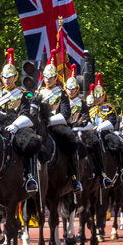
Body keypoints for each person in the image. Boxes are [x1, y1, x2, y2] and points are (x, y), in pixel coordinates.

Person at [0, 48, 38, 192]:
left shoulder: (22, 94)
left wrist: (16, 126)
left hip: (15, 126)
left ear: (16, 77)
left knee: (27, 143)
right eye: (4, 77)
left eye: (10, 77)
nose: (6, 79)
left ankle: (29, 176)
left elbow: (25, 113)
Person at [38, 51, 80, 193]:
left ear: (56, 78)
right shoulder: (39, 92)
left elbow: (66, 114)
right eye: (45, 77)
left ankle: (74, 177)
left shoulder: (61, 93)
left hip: (55, 126)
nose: (47, 80)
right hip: (39, 127)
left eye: (50, 77)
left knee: (70, 144)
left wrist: (47, 121)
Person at [88, 73, 123, 186]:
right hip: (92, 132)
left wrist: (100, 128)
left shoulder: (108, 107)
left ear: (103, 96)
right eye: (95, 96)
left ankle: (122, 169)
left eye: (99, 96)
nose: (97, 98)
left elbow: (112, 121)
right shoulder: (90, 108)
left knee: (115, 144)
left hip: (104, 131)